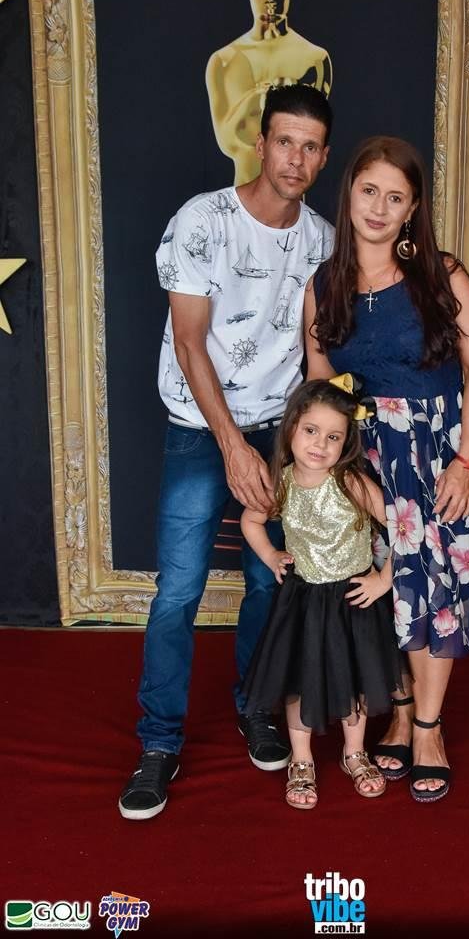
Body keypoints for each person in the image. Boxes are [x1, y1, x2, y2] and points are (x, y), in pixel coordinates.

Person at [118, 84, 334, 821]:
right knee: (178, 590)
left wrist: (314, 442)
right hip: (198, 427)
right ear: (261, 143)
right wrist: (232, 446)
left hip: (280, 431)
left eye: (310, 147)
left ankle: (255, 705)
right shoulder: (203, 220)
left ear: (322, 158)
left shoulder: (322, 240)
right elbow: (188, 342)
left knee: (269, 581)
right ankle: (158, 742)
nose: (295, 158)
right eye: (284, 141)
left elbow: (316, 350)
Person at [304, 136, 469, 803]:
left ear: (412, 208)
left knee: (433, 590)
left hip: (440, 452)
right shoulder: (322, 287)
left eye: (395, 197)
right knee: (385, 589)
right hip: (365, 459)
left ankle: (427, 727)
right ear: (349, 193)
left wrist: (466, 460)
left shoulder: (441, 276)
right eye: (369, 191)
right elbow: (320, 394)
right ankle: (397, 709)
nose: (379, 207)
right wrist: (338, 474)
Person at [240, 378, 406, 809]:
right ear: (291, 428)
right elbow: (250, 521)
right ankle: (301, 759)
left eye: (333, 437)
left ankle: (355, 753)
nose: (320, 444)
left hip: (353, 600)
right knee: (299, 679)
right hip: (303, 601)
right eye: (311, 430)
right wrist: (271, 555)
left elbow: (404, 527)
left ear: (346, 442)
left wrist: (383, 580)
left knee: (355, 678)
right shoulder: (281, 482)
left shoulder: (350, 482)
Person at [206, 0, 333, 185]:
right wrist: (260, 96)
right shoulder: (225, 60)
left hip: (293, 200)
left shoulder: (314, 59)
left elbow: (310, 136)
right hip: (242, 191)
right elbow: (227, 141)